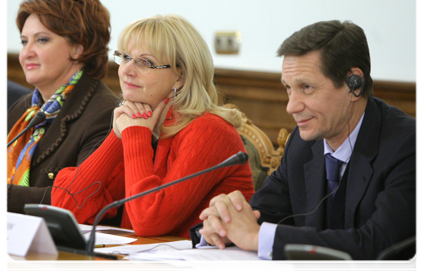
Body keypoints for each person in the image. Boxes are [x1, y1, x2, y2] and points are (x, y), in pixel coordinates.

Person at [197, 20, 419, 270]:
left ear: (354, 85)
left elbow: (376, 246)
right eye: (289, 89)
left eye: (307, 88)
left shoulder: (408, 146)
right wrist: (224, 223)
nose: (291, 106)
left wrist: (256, 238)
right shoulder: (302, 145)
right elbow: (259, 214)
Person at [51, 14, 255, 238]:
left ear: (180, 77)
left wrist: (134, 135)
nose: (127, 70)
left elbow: (149, 220)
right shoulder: (142, 123)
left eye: (145, 62)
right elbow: (67, 208)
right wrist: (116, 138)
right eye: (126, 57)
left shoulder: (209, 131)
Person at [5, 0, 118, 214]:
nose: (27, 53)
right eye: (24, 42)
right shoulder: (23, 108)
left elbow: (81, 198)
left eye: (42, 40)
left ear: (78, 48)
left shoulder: (105, 114)